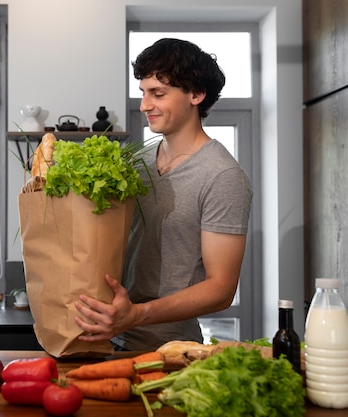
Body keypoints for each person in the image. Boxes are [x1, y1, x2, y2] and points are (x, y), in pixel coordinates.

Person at [74, 38, 253, 351]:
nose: (145, 105)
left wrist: (137, 315)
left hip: (167, 348)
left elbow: (221, 289)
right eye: (143, 93)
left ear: (196, 95)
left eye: (158, 94)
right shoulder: (138, 162)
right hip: (102, 335)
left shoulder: (223, 176)